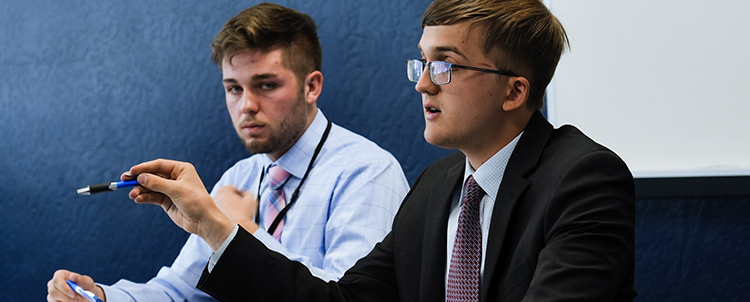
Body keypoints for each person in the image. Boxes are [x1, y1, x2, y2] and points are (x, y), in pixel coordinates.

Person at [111, 0, 638, 301]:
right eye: (421, 63)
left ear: (514, 91)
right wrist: (213, 225)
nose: (423, 85)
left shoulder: (583, 178)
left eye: (445, 65)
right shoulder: (436, 188)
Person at [46, 3, 410, 302]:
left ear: (311, 86)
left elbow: (344, 298)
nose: (247, 105)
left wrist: (238, 230)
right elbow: (179, 292)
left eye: (266, 85)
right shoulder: (239, 177)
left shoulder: (368, 171)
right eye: (233, 88)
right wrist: (102, 298)